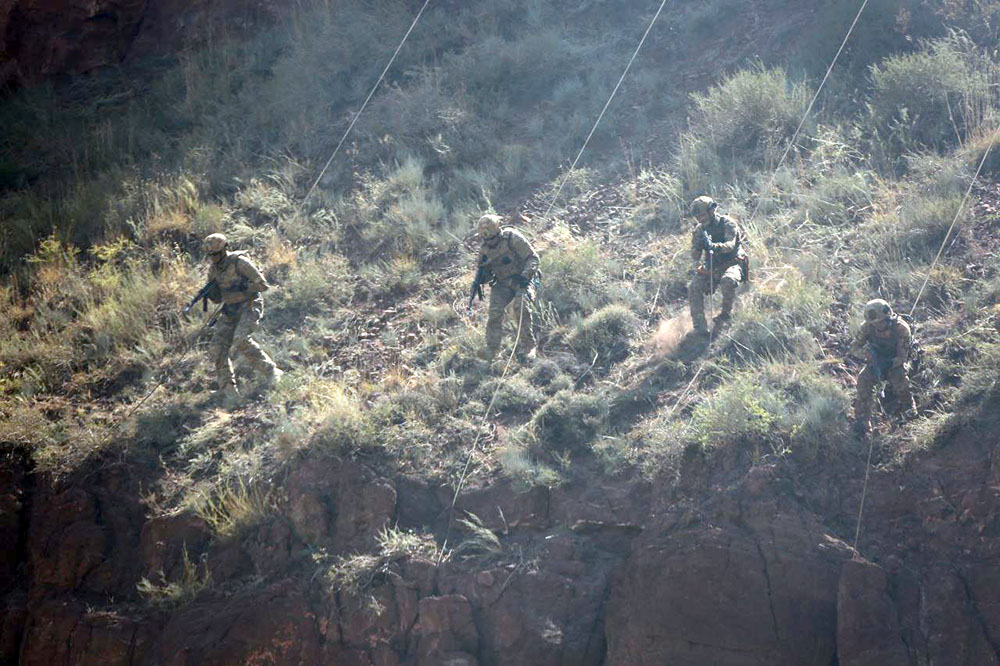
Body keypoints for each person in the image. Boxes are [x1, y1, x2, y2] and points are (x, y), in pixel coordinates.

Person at [201, 233, 282, 402]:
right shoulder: (213, 271)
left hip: (249, 306)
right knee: (216, 346)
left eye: (216, 254)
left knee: (241, 339)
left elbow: (262, 285)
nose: (213, 258)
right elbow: (217, 298)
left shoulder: (240, 263)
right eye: (210, 255)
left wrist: (241, 290)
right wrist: (211, 294)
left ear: (224, 250)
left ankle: (271, 371)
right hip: (230, 310)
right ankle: (228, 389)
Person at [470, 214, 539, 362]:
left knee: (520, 305)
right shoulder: (484, 250)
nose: (490, 242)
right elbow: (486, 274)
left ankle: (529, 346)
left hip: (524, 278)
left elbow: (533, 259)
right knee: (494, 312)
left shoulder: (512, 238)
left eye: (492, 239)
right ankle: (492, 348)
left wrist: (525, 276)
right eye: (486, 240)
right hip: (503, 283)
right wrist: (482, 276)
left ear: (498, 232)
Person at [849, 298, 917, 435]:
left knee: (901, 381)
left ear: (888, 316)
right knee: (863, 380)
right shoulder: (867, 327)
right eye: (875, 323)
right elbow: (854, 347)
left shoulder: (901, 329)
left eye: (880, 322)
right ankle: (862, 420)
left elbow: (903, 356)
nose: (878, 326)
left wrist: (890, 364)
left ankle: (909, 411)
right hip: (876, 362)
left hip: (896, 362)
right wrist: (867, 355)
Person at [687, 196, 747, 336]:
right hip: (713, 267)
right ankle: (700, 327)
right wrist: (698, 246)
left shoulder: (727, 223)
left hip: (733, 263)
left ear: (712, 210)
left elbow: (730, 246)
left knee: (728, 281)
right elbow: (695, 257)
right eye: (697, 217)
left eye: (702, 215)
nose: (700, 219)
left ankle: (725, 315)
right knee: (693, 287)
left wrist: (714, 246)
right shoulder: (699, 231)